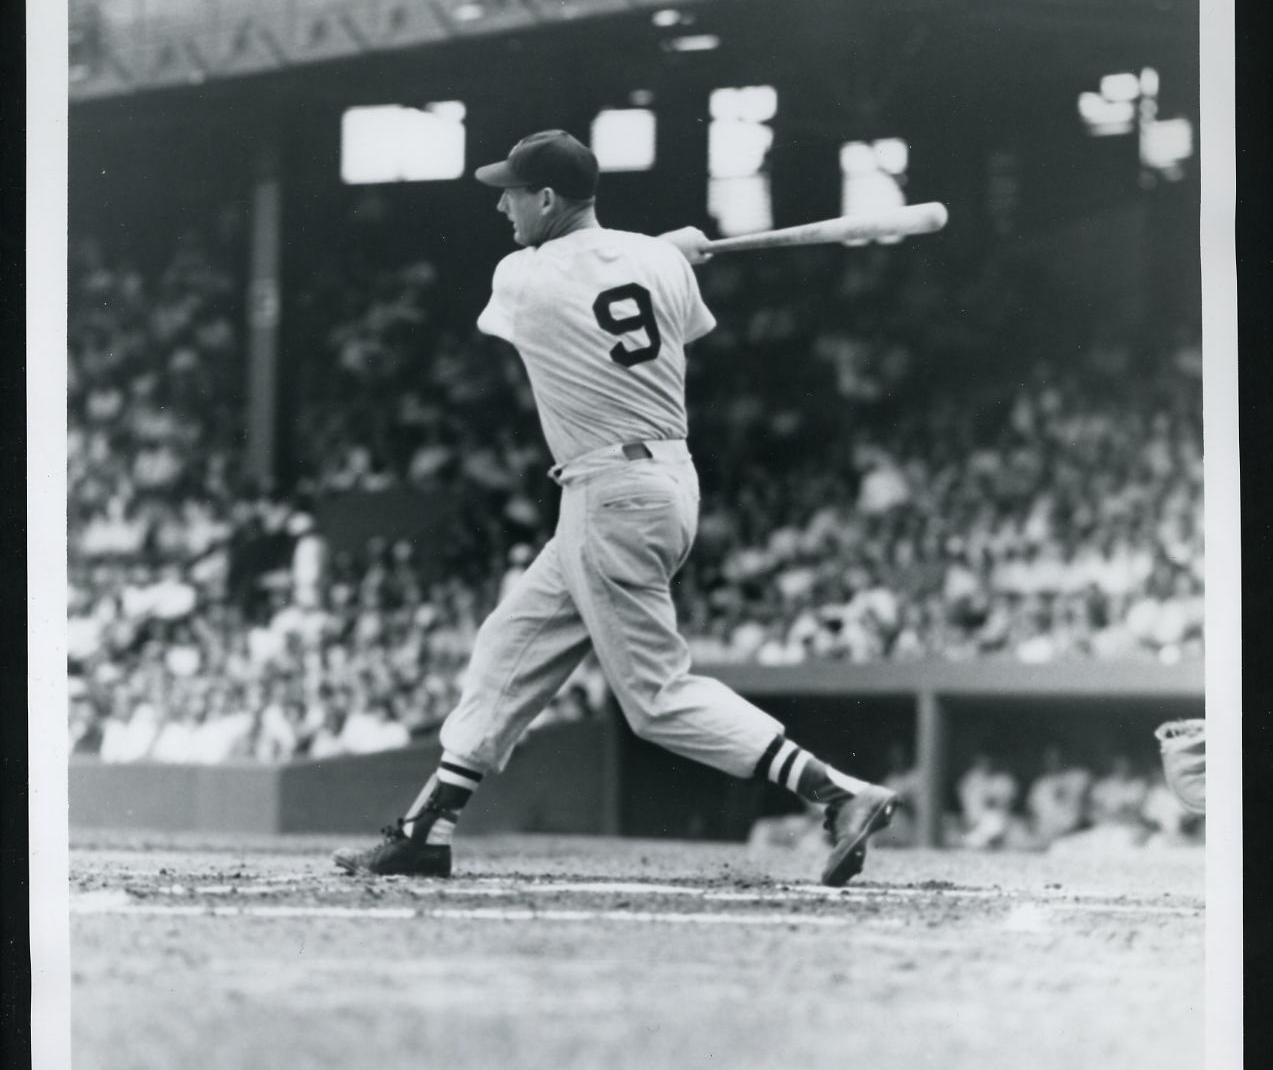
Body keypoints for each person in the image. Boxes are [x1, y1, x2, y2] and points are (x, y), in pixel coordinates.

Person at [335, 130, 897, 887]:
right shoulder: (658, 262)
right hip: (658, 483)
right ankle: (424, 831)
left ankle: (837, 793)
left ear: (546, 199)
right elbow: (632, 288)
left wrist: (655, 250)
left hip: (610, 493)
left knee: (656, 697)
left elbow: (569, 283)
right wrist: (661, 252)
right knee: (510, 643)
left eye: (512, 192)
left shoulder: (520, 277)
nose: (502, 205)